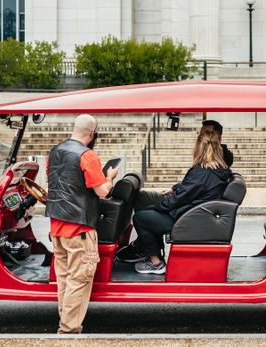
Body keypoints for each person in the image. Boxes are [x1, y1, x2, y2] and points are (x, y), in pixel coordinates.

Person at [46, 114, 118, 334]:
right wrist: (110, 177)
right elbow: (102, 191)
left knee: (65, 280)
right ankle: (68, 330)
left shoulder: (54, 152)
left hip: (57, 226)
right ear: (92, 133)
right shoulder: (87, 156)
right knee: (78, 280)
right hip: (80, 229)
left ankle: (66, 323)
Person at [121, 130, 231, 275]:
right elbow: (192, 189)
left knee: (141, 217)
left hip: (186, 218)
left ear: (198, 148)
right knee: (150, 214)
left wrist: (157, 207)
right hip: (195, 215)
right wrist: (174, 190)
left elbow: (179, 198)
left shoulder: (201, 172)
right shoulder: (221, 170)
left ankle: (156, 263)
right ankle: (151, 252)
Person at [132, 120, 235, 212]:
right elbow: (194, 184)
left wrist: (153, 209)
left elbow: (192, 188)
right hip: (183, 200)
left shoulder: (215, 163)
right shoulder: (205, 169)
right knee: (142, 198)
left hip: (183, 206)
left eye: (206, 133)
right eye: (201, 133)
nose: (201, 136)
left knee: (142, 213)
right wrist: (175, 188)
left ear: (217, 136)